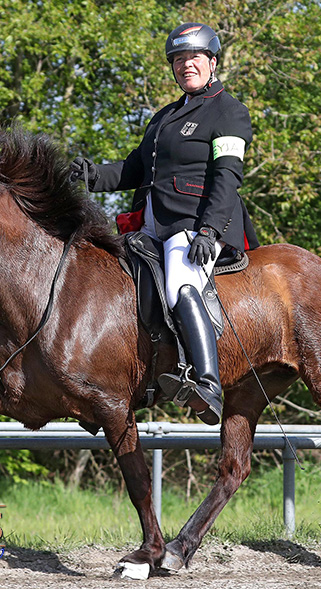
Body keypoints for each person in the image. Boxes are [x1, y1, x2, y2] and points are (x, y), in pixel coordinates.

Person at [71, 22, 258, 425]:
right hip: (152, 223)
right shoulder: (163, 118)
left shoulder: (229, 111)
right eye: (178, 60)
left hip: (196, 223)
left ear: (211, 61)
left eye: (193, 58)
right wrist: (91, 175)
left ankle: (206, 384)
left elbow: (228, 176)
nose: (185, 65)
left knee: (180, 282)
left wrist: (209, 231)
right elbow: (133, 169)